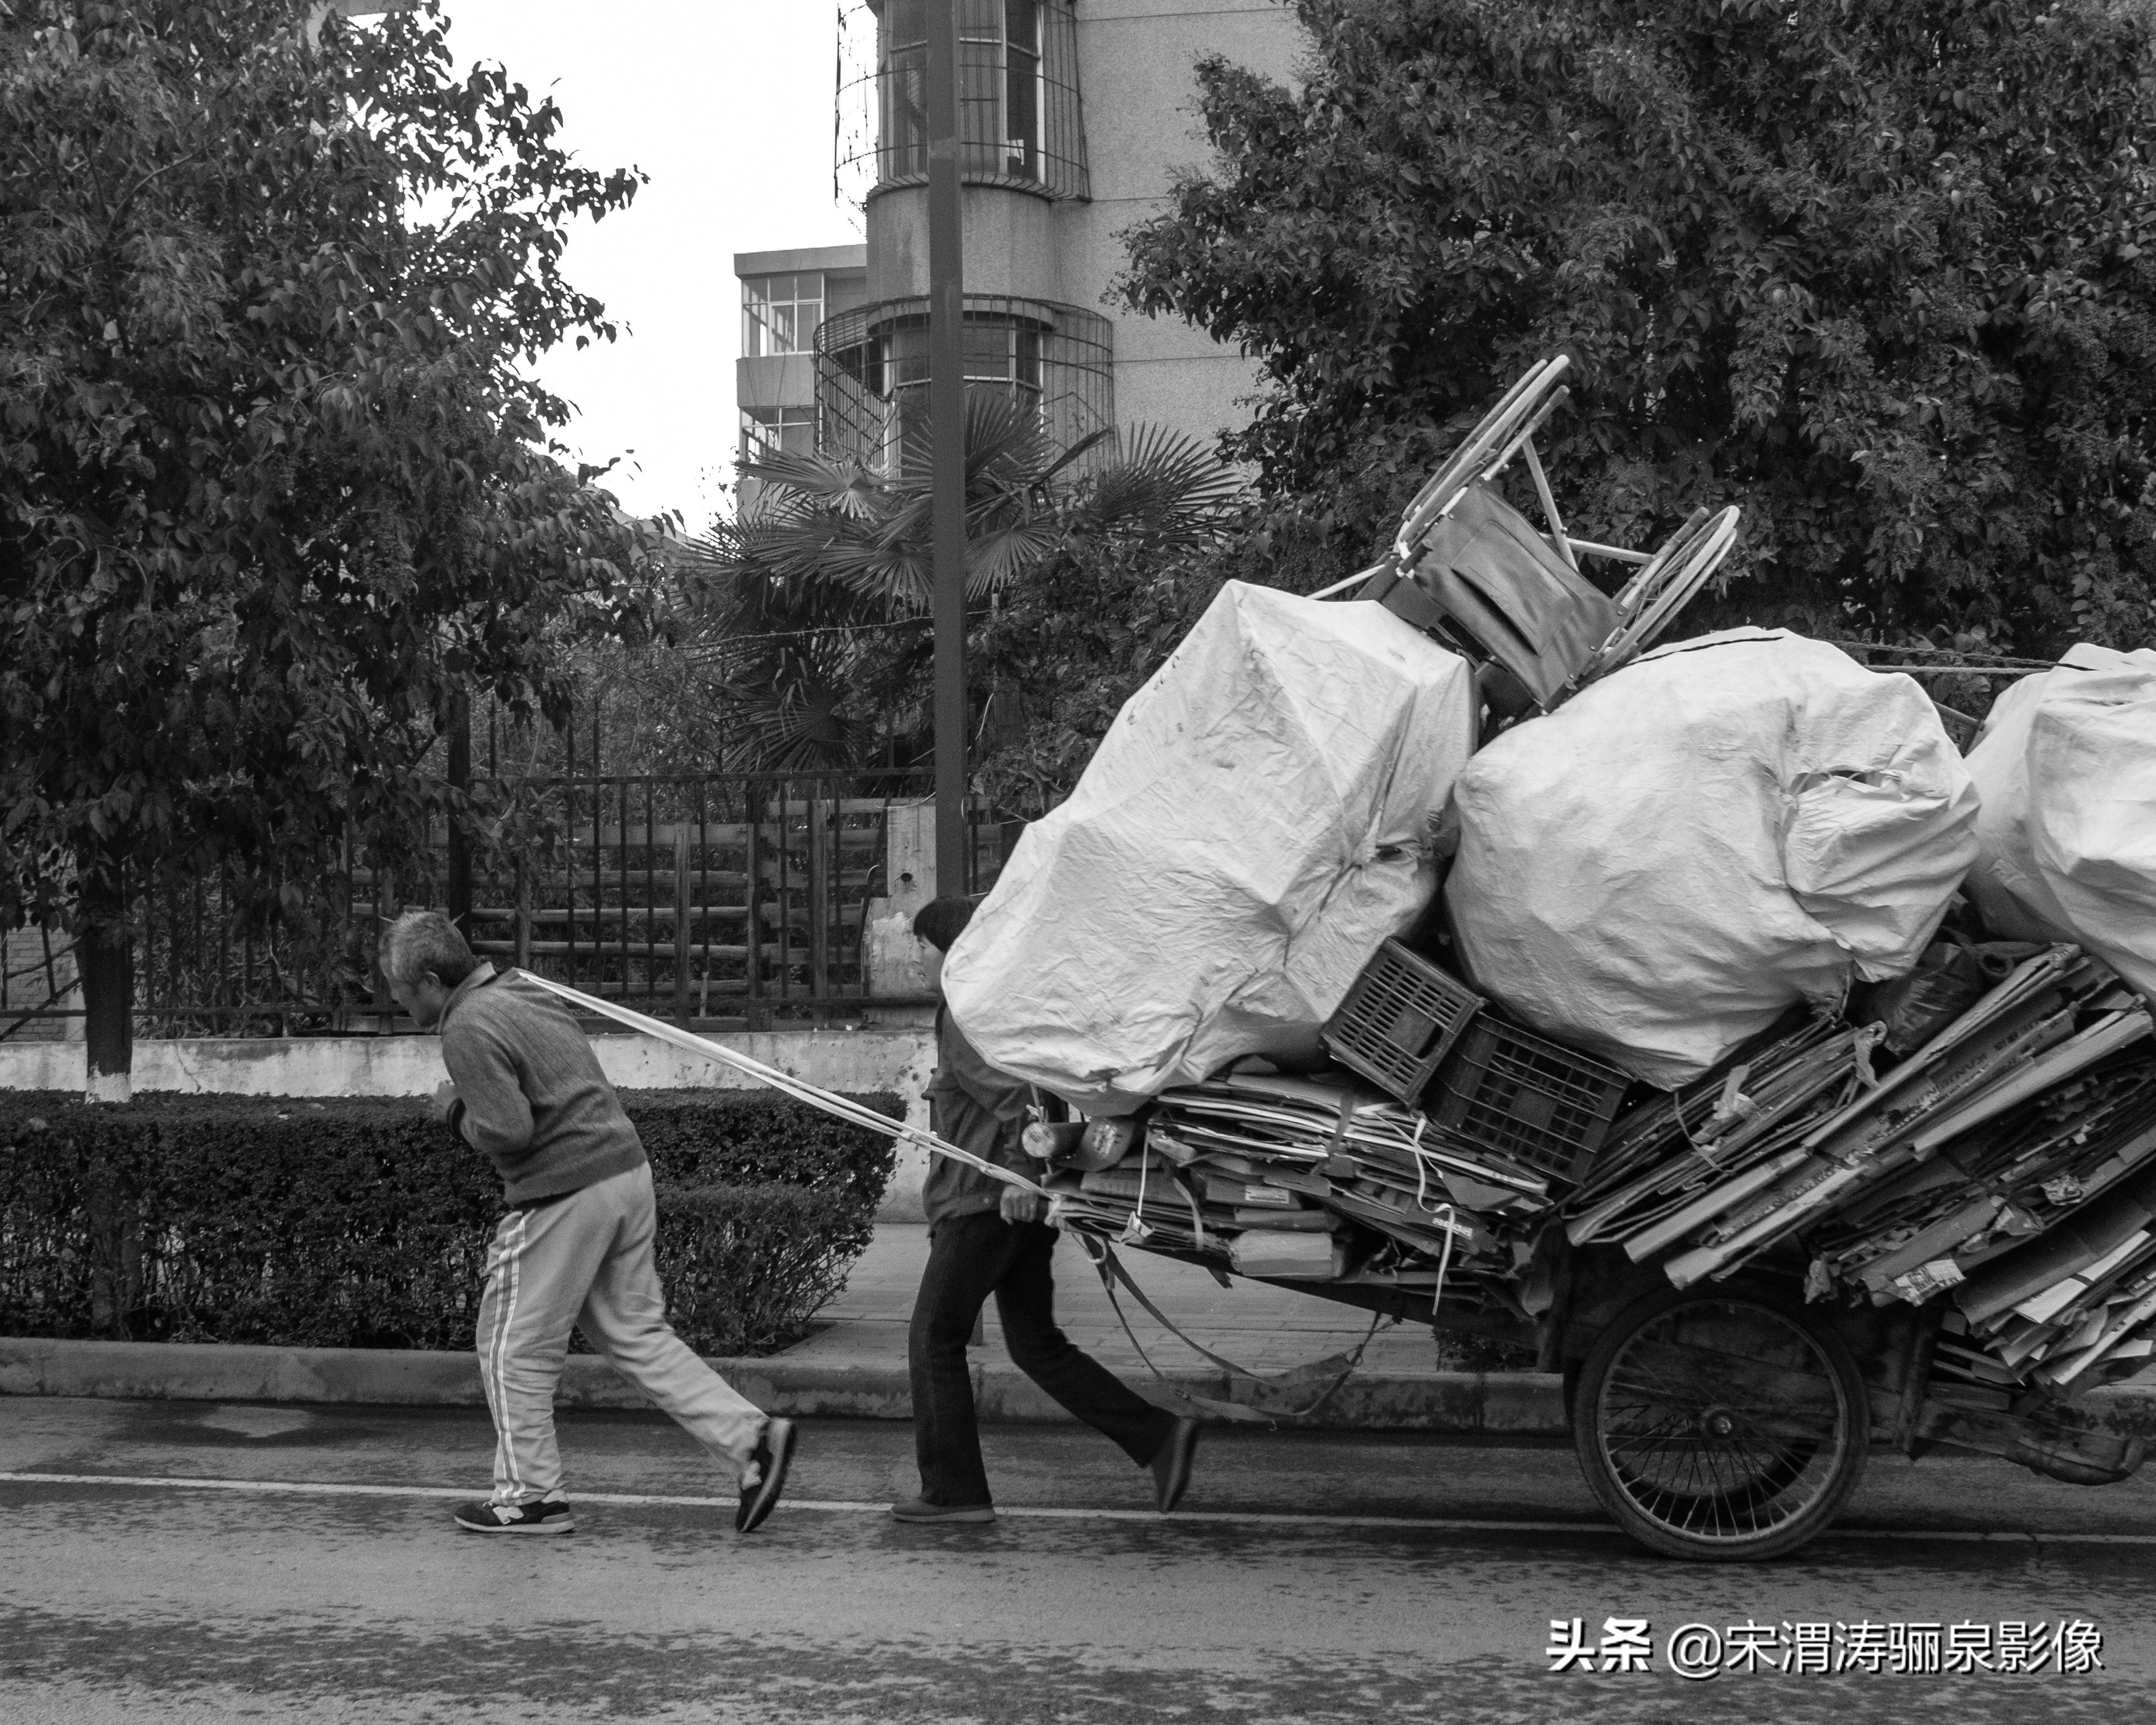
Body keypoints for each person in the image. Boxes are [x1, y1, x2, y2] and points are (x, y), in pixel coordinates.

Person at [381, 909, 796, 1536]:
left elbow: (509, 1129)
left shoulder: (464, 1024)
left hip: (564, 1189)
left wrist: (453, 1111)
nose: (394, 996)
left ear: (432, 980)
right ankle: (751, 1440)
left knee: (510, 1346)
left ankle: (530, 1497)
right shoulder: (520, 989)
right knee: (635, 1333)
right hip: (624, 1171)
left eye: (399, 985)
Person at [892, 895, 1199, 1524]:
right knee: (1035, 1345)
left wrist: (1026, 1176)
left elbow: (1014, 1099)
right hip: (1010, 1198)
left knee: (933, 1338)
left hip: (988, 1200)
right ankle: (1158, 1437)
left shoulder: (964, 1015)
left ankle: (954, 1491)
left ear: (953, 950)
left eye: (922, 944)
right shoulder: (992, 1009)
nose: (915, 956)